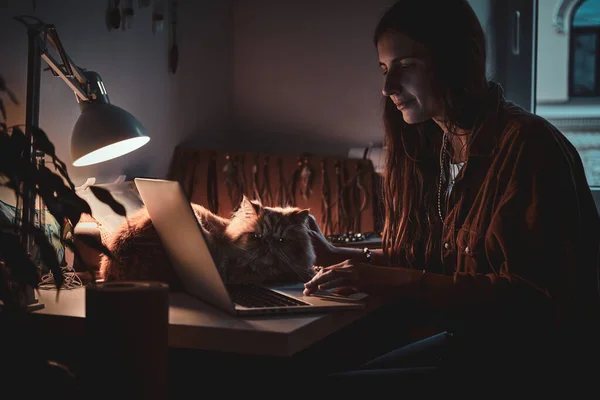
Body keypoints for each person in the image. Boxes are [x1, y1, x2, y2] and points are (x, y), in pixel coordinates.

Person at [303, 0, 600, 393]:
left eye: (405, 66)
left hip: (531, 365)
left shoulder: (529, 146)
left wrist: (393, 281)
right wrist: (337, 256)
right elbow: (435, 260)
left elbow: (531, 301)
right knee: (321, 374)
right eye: (384, 69)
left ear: (457, 60)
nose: (388, 87)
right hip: (474, 346)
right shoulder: (443, 146)